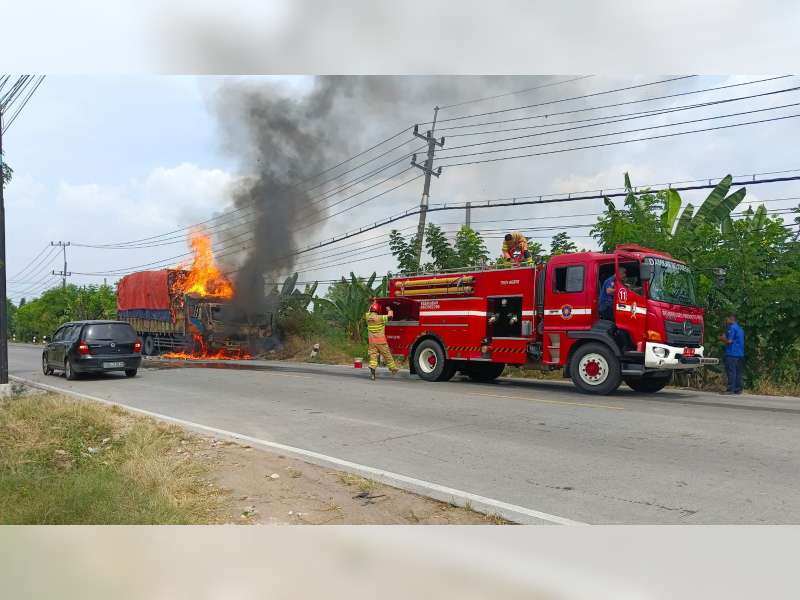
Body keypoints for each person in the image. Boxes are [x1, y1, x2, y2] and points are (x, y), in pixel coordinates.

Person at [365, 301, 398, 380]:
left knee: (373, 356)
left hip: (372, 341)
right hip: (381, 341)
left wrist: (374, 302)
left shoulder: (367, 317)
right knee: (387, 355)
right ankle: (393, 369)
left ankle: (373, 372)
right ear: (378, 310)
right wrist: (389, 310)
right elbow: (390, 317)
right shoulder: (380, 318)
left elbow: (369, 310)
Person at [719, 314, 745, 395]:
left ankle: (730, 389)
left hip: (732, 353)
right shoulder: (740, 329)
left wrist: (722, 338)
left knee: (731, 372)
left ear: (731, 319)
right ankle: (738, 389)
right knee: (738, 372)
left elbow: (729, 341)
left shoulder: (732, 328)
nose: (726, 321)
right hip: (740, 354)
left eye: (727, 319)